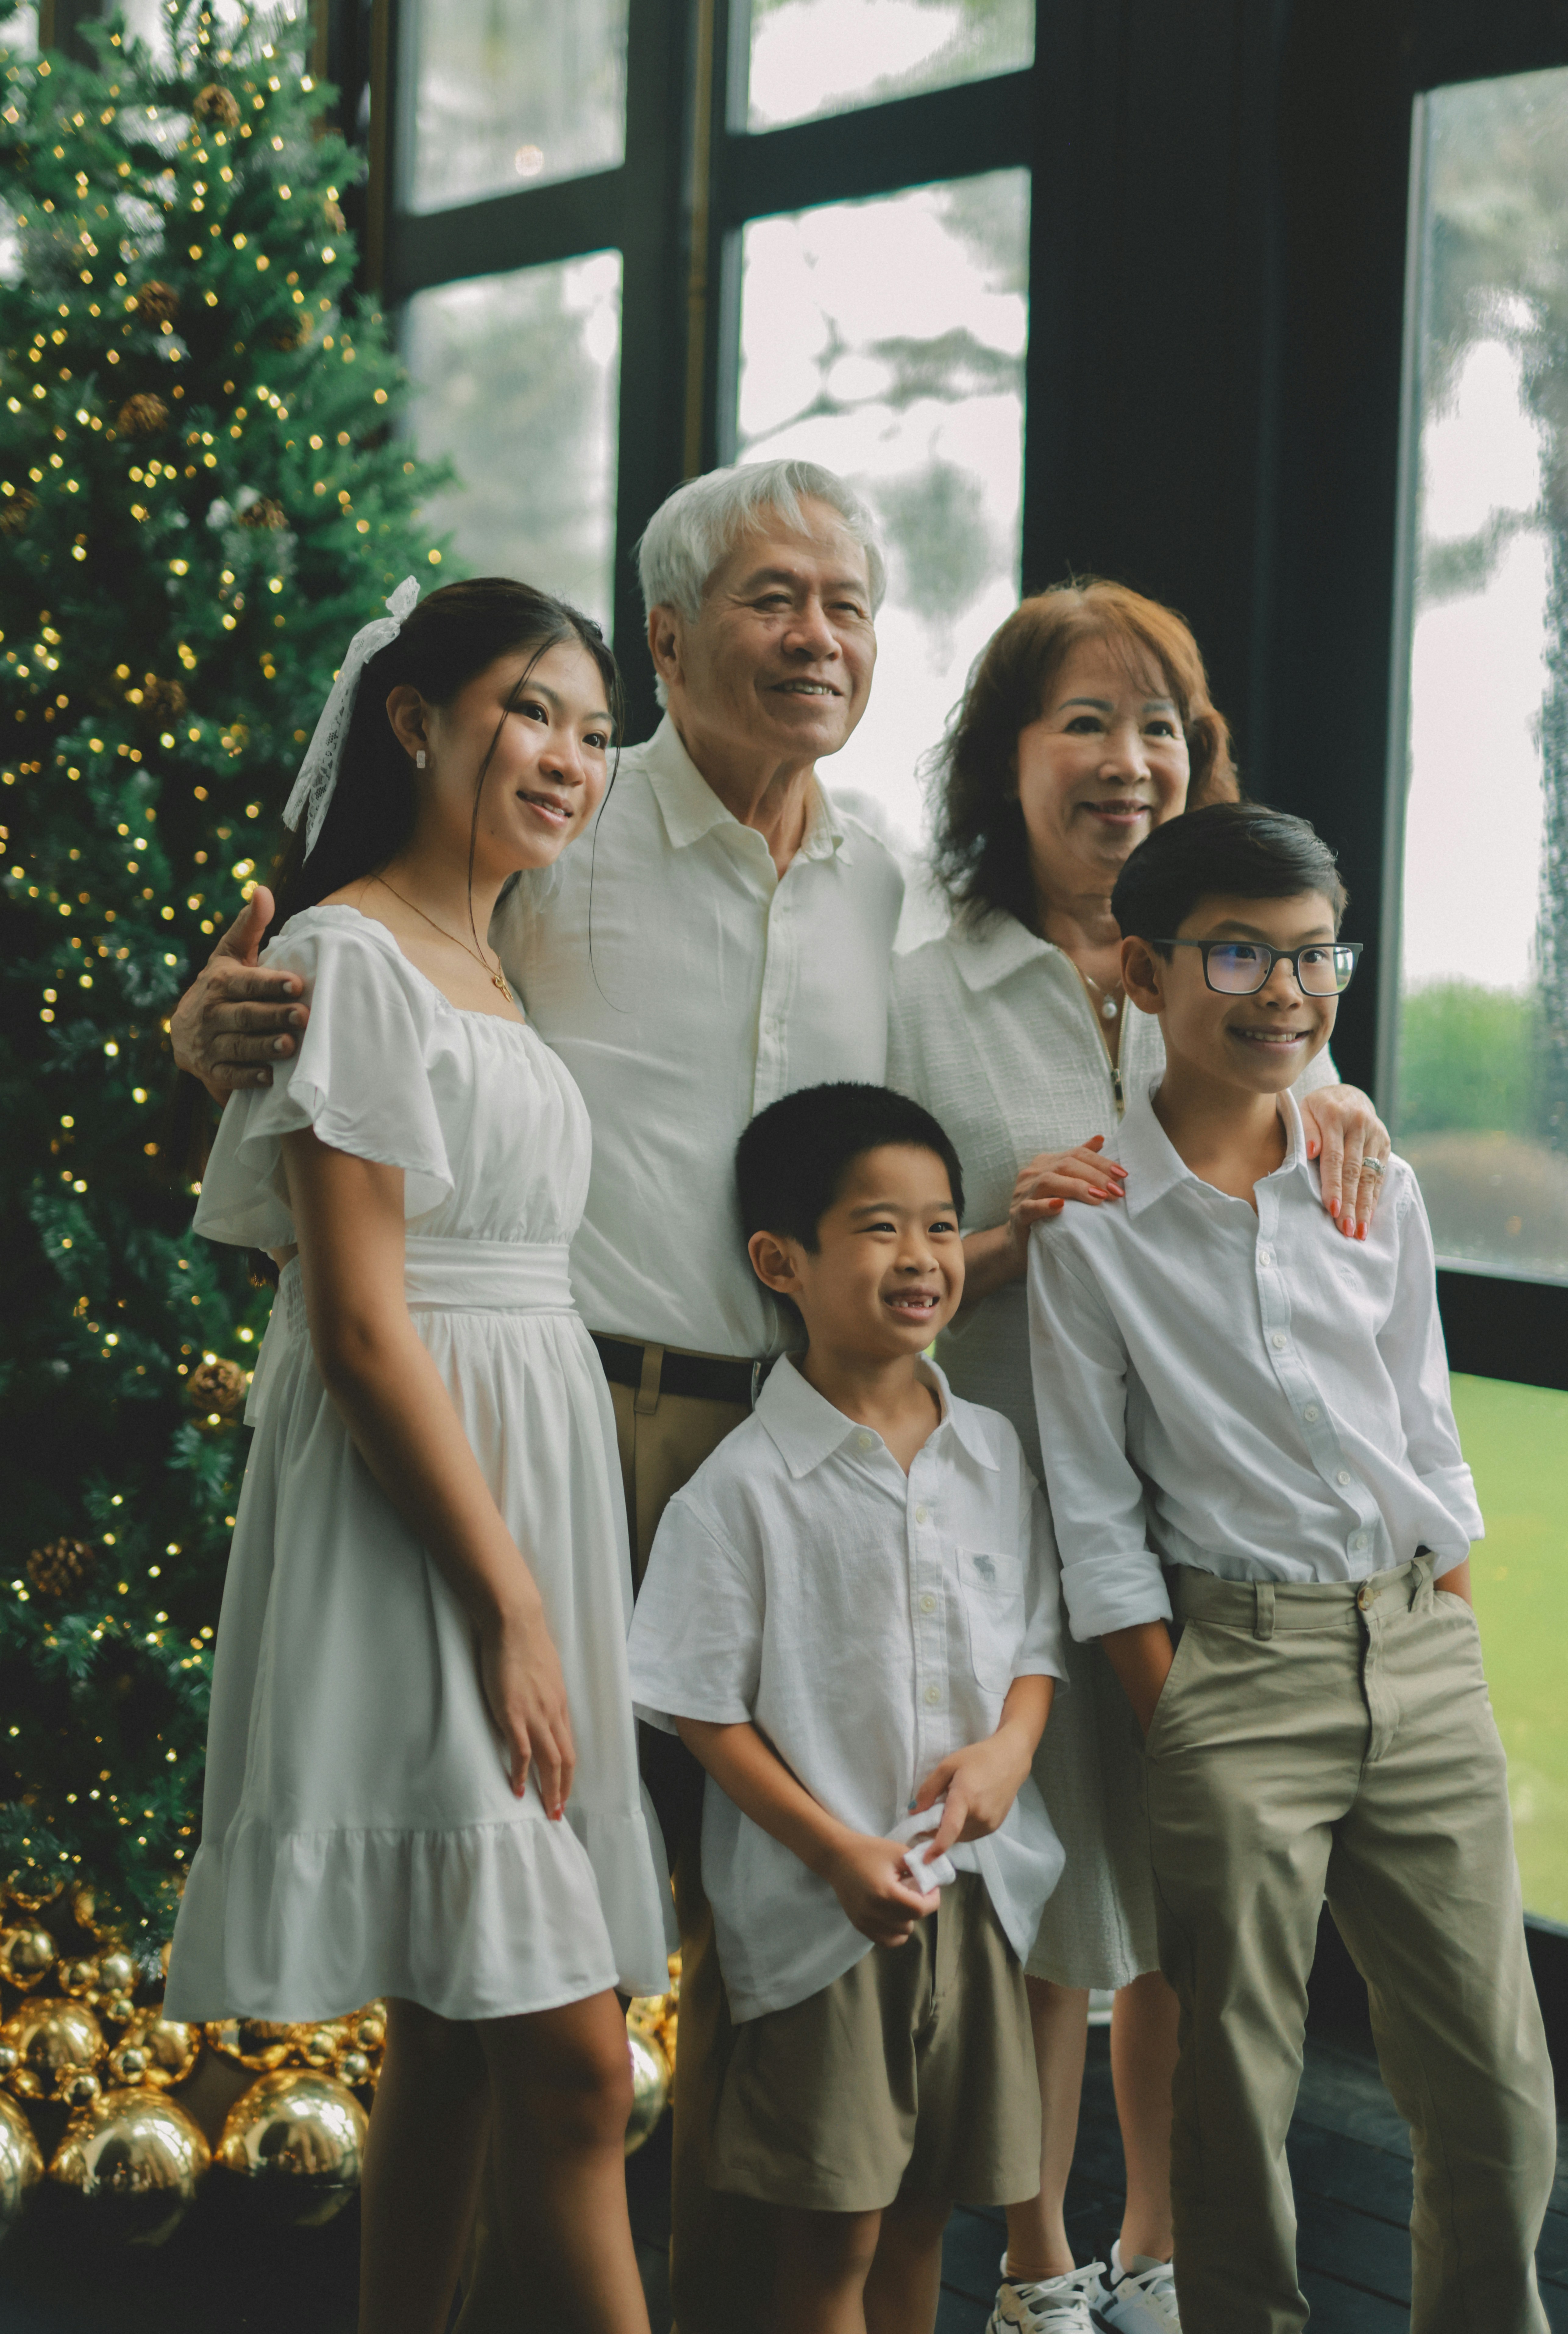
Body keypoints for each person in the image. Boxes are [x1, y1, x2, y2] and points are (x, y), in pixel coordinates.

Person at [168, 461, 905, 2334]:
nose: (813, 632)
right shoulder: (531, 876)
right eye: (768, 596)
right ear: (674, 635)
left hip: (733, 1449)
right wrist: (211, 1031)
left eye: (845, 600)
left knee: (635, 1966)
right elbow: (338, 1106)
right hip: (533, 1429)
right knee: (546, 2022)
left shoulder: (869, 879)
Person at [162, 577, 674, 2334]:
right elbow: (363, 1328)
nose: (567, 757)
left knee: (461, 2028)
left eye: (597, 733)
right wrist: (508, 1599)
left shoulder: (495, 957)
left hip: (527, 1465)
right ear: (415, 721)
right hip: (425, 1501)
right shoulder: (349, 956)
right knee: (574, 2069)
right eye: (530, 710)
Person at [888, 579, 1392, 2334]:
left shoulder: (1230, 960)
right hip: (1002, 1492)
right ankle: (1034, 2264)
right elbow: (874, 1255)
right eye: (1082, 724)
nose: (1127, 761)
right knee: (1036, 1880)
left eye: (1159, 725)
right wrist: (995, 1237)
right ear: (1003, 759)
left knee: (1187, 1892)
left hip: (1210, 1507)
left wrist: (1332, 1093)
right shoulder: (925, 979)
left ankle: (1166, 2246)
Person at [1026, 801, 1558, 2334]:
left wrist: (1442, 1625)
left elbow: (1428, 1422)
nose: (1286, 992)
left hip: (1416, 1652)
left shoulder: (1369, 1178)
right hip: (1229, 1670)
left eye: (1318, 956)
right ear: (1144, 969)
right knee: (1232, 2086)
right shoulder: (1092, 1226)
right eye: (1240, 953)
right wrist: (1173, 1702)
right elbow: (1092, 1505)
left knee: (1496, 2084)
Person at [627, 1084, 1067, 2334]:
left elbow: (1035, 1640)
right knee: (834, 2238)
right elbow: (701, 1708)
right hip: (824, 1928)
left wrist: (1008, 1756)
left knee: (927, 2215)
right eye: (881, 1227)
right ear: (783, 1261)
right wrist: (835, 1852)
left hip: (973, 1904)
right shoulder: (744, 1489)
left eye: (941, 1224)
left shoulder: (991, 1452)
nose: (924, 1257)